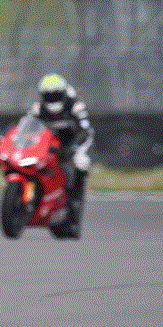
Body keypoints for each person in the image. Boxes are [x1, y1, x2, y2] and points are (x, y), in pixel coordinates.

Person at [30, 73, 94, 234]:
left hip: (76, 140)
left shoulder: (76, 106)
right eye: (48, 96)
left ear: (64, 94)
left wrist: (72, 148)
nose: (52, 100)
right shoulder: (38, 108)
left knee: (81, 162)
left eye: (56, 95)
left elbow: (85, 129)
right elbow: (26, 126)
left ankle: (75, 202)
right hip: (52, 143)